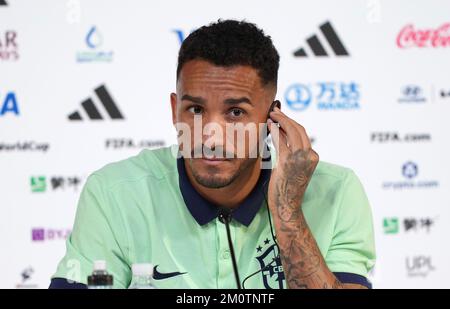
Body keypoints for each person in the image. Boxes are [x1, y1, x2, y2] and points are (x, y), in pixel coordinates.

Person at [49, 19, 375, 289]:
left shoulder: (337, 192)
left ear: (272, 118)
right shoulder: (113, 194)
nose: (210, 135)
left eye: (235, 112)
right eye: (195, 109)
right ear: (175, 110)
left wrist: (287, 213)